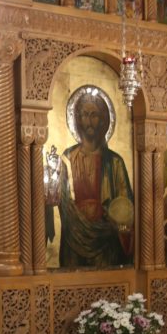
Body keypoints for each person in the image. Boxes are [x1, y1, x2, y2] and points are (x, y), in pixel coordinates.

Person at [56, 91, 134, 268]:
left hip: (106, 243)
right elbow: (63, 200)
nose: (89, 120)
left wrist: (112, 218)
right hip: (74, 238)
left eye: (94, 115)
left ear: (103, 120)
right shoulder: (68, 158)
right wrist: (81, 223)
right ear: (77, 119)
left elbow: (125, 206)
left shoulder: (115, 162)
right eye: (85, 114)